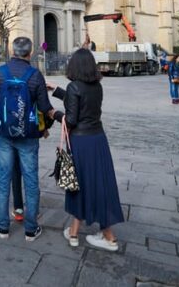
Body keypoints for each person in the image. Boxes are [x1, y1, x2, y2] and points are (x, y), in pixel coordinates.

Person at [47, 48, 124, 252]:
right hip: (98, 140)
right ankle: (75, 232)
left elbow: (71, 118)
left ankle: (105, 237)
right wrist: (56, 89)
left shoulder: (74, 87)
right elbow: (80, 100)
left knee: (78, 185)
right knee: (99, 184)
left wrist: (54, 114)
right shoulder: (97, 86)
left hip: (80, 142)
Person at [0, 36, 52, 242]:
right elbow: (44, 107)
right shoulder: (35, 76)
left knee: (3, 180)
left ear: (12, 50)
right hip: (28, 135)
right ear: (31, 52)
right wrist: (47, 127)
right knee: (31, 180)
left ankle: (3, 226)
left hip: (4, 134)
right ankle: (31, 228)